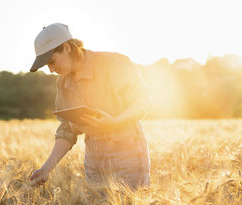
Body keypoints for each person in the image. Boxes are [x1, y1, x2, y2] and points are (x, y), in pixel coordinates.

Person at [29, 23, 153, 191]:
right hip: (93, 159)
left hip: (126, 152)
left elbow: (143, 102)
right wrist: (46, 168)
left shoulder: (114, 63)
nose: (51, 70)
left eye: (52, 61)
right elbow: (67, 130)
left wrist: (116, 122)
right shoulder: (63, 84)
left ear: (66, 47)